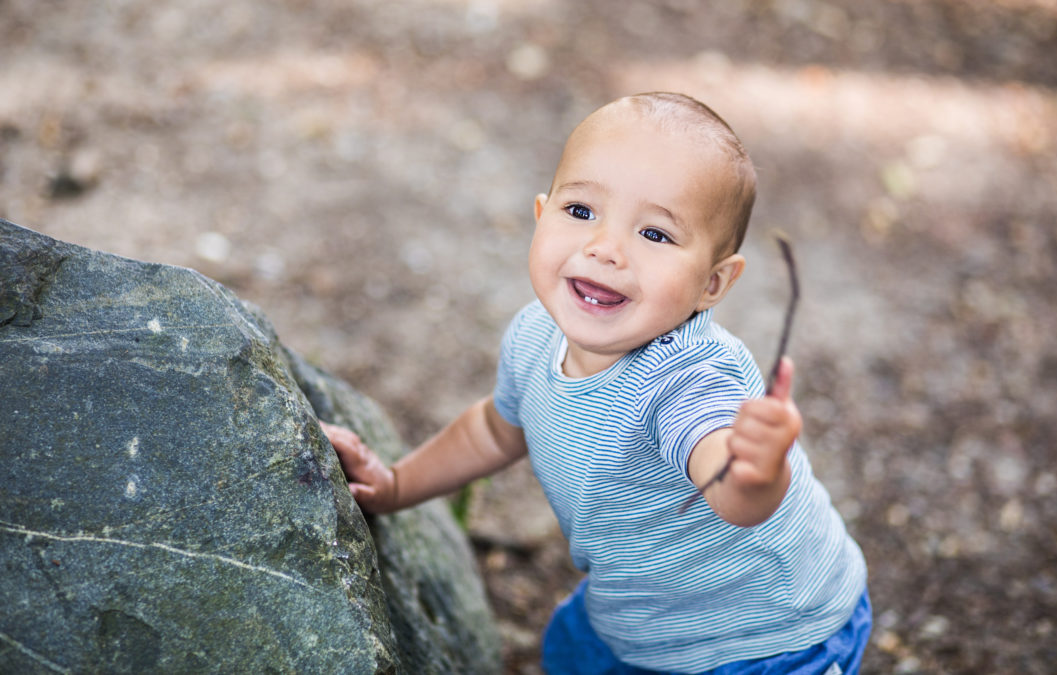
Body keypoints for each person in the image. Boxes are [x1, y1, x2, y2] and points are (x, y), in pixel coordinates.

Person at [321, 92, 870, 674]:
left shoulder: (688, 379)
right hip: (641, 608)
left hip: (764, 635)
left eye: (655, 235)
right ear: (541, 215)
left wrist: (755, 467)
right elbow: (494, 428)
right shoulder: (536, 333)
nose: (605, 249)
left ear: (713, 283)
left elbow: (731, 492)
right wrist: (397, 483)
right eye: (581, 212)